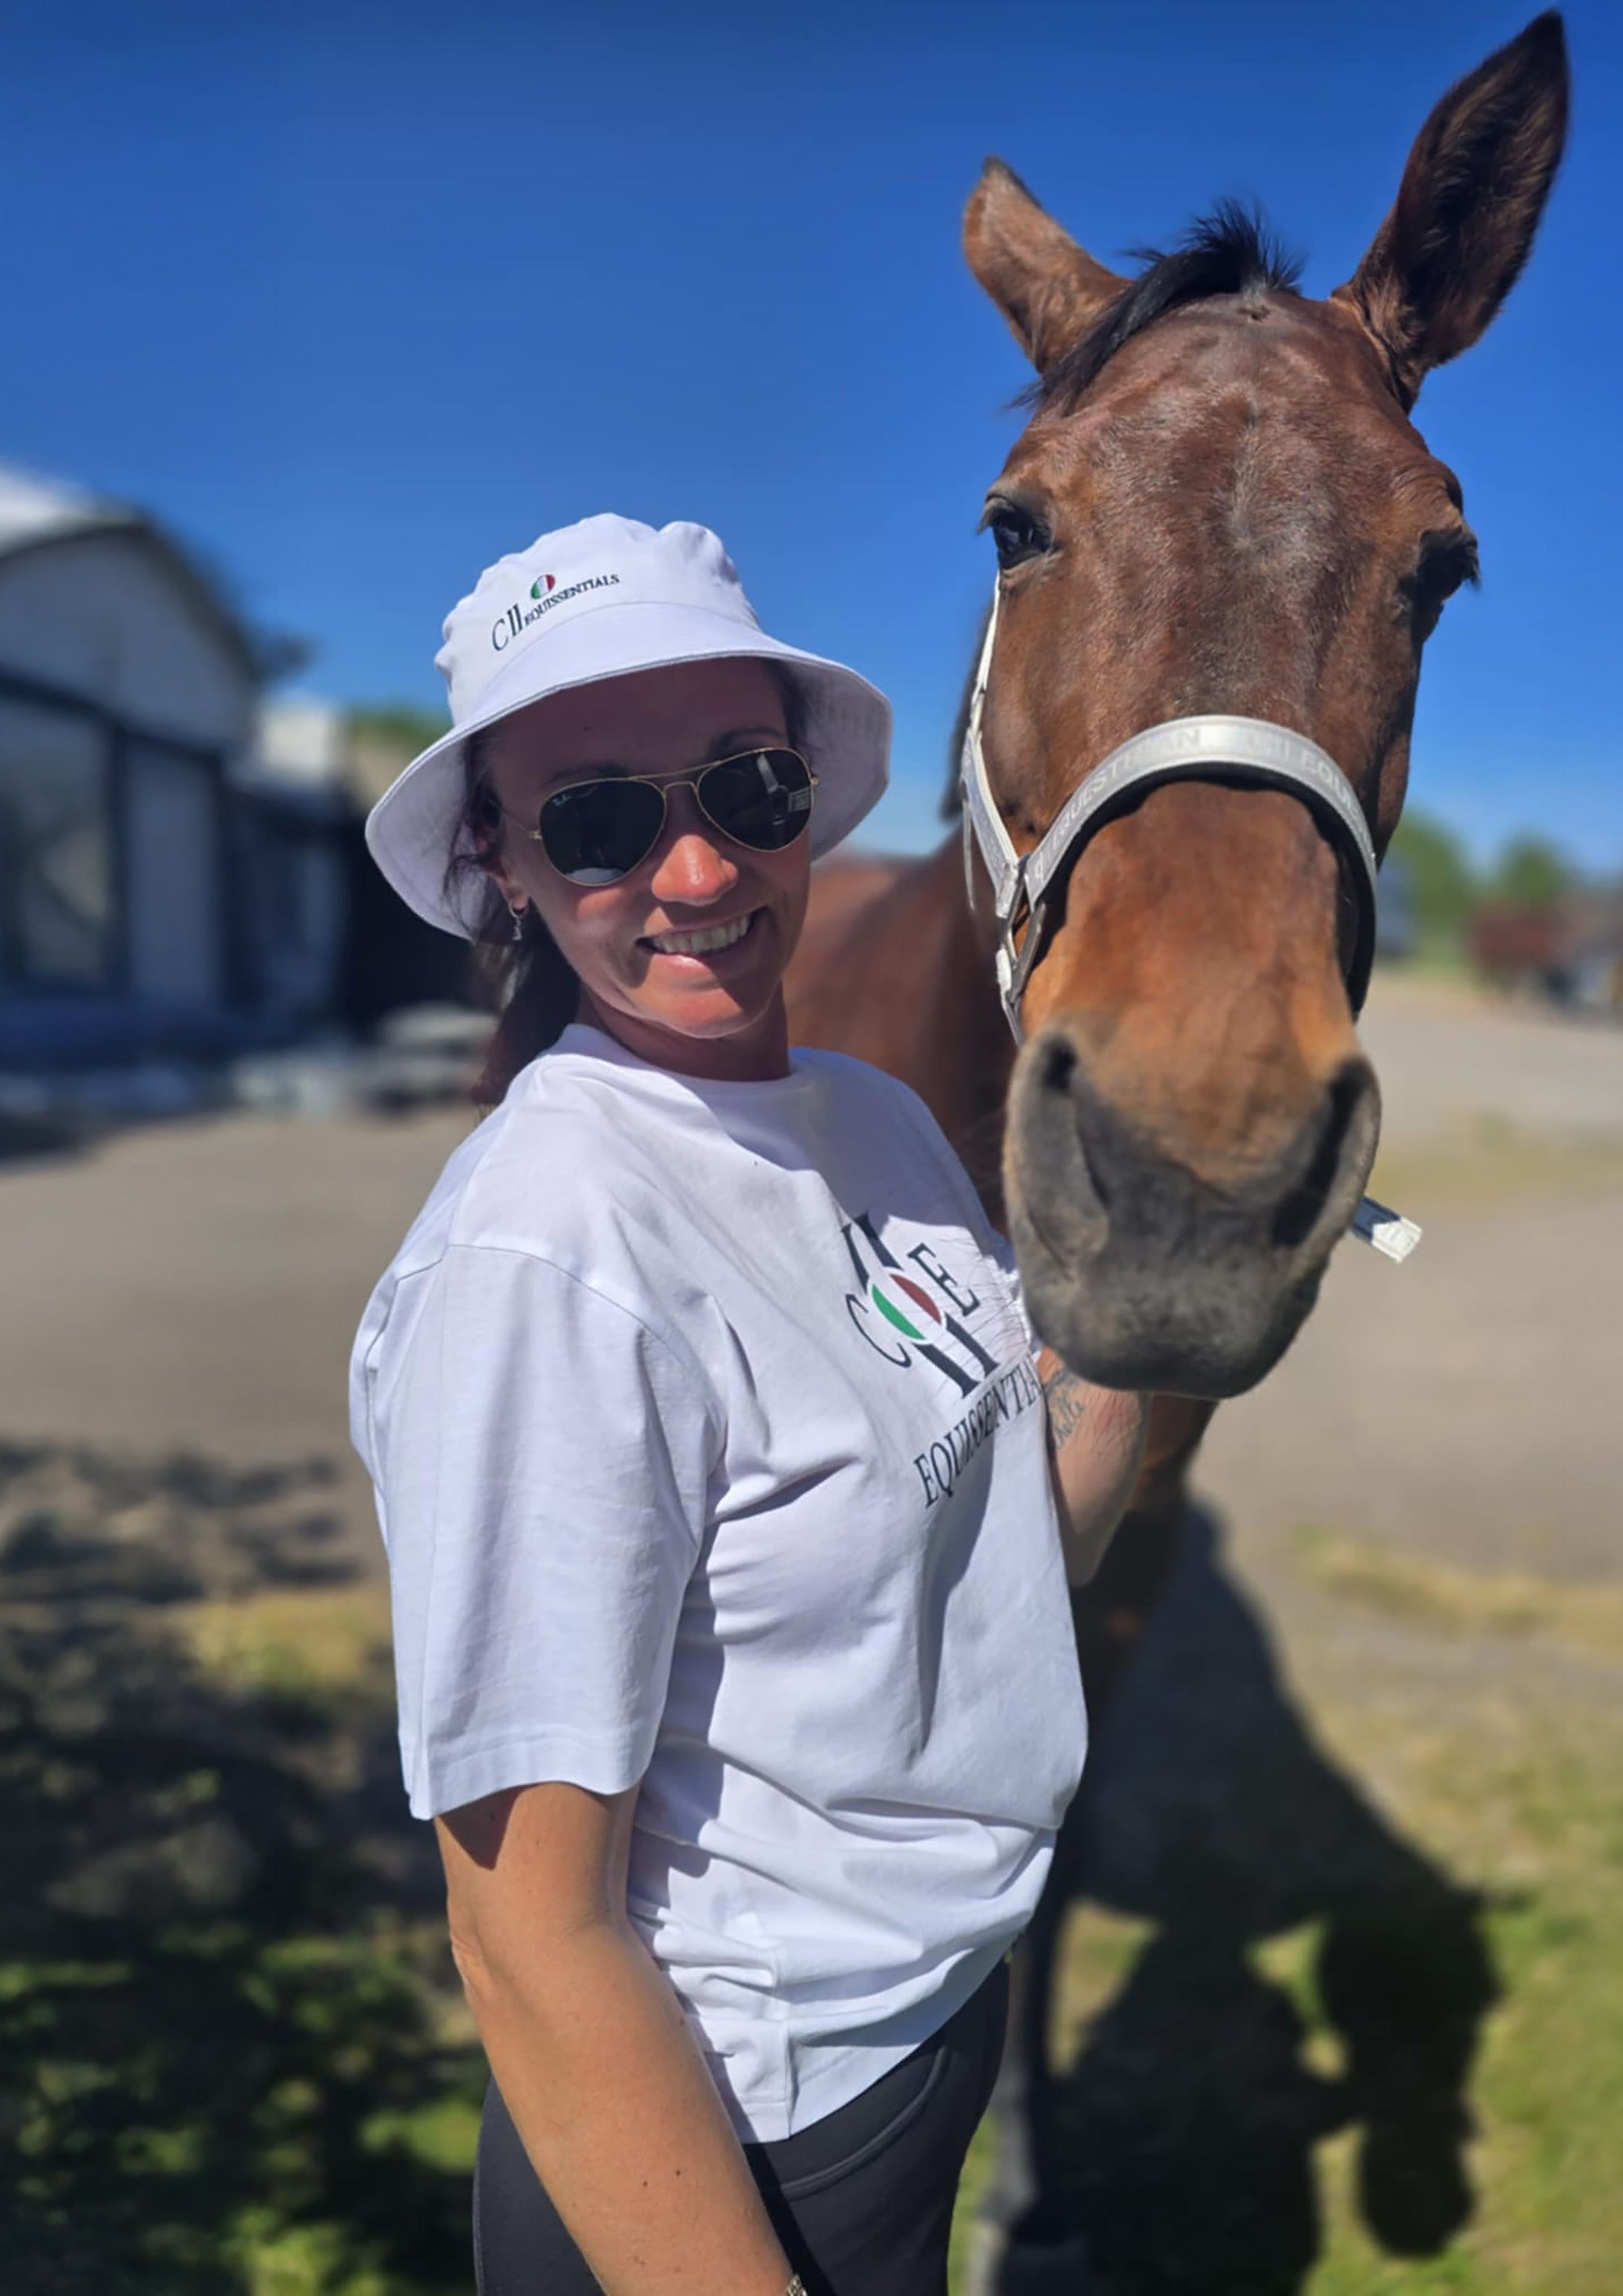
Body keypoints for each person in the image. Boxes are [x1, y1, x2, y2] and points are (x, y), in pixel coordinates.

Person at [349, 514, 1149, 2295]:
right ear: (504, 859)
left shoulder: (868, 1122)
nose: (700, 870)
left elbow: (1000, 1549)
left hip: (923, 2028)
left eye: (748, 786)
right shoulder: (546, 1255)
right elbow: (529, 1932)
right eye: (601, 818)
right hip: (722, 2137)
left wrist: (1180, 1298)